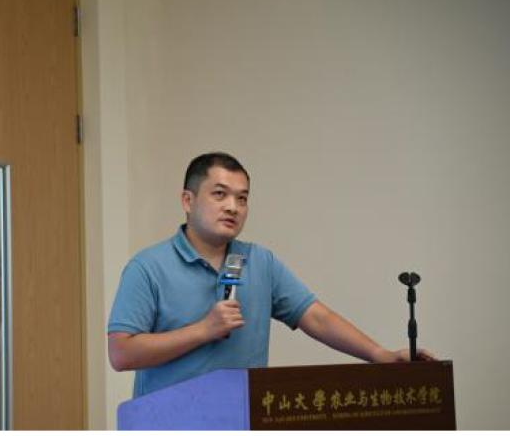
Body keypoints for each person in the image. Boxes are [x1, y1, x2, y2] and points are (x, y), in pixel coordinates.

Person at [107, 152, 435, 397]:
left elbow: (316, 317)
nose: (233, 207)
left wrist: (380, 355)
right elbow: (121, 353)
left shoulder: (258, 262)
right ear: (187, 201)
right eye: (220, 194)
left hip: (244, 418)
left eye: (242, 198)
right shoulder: (148, 267)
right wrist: (204, 330)